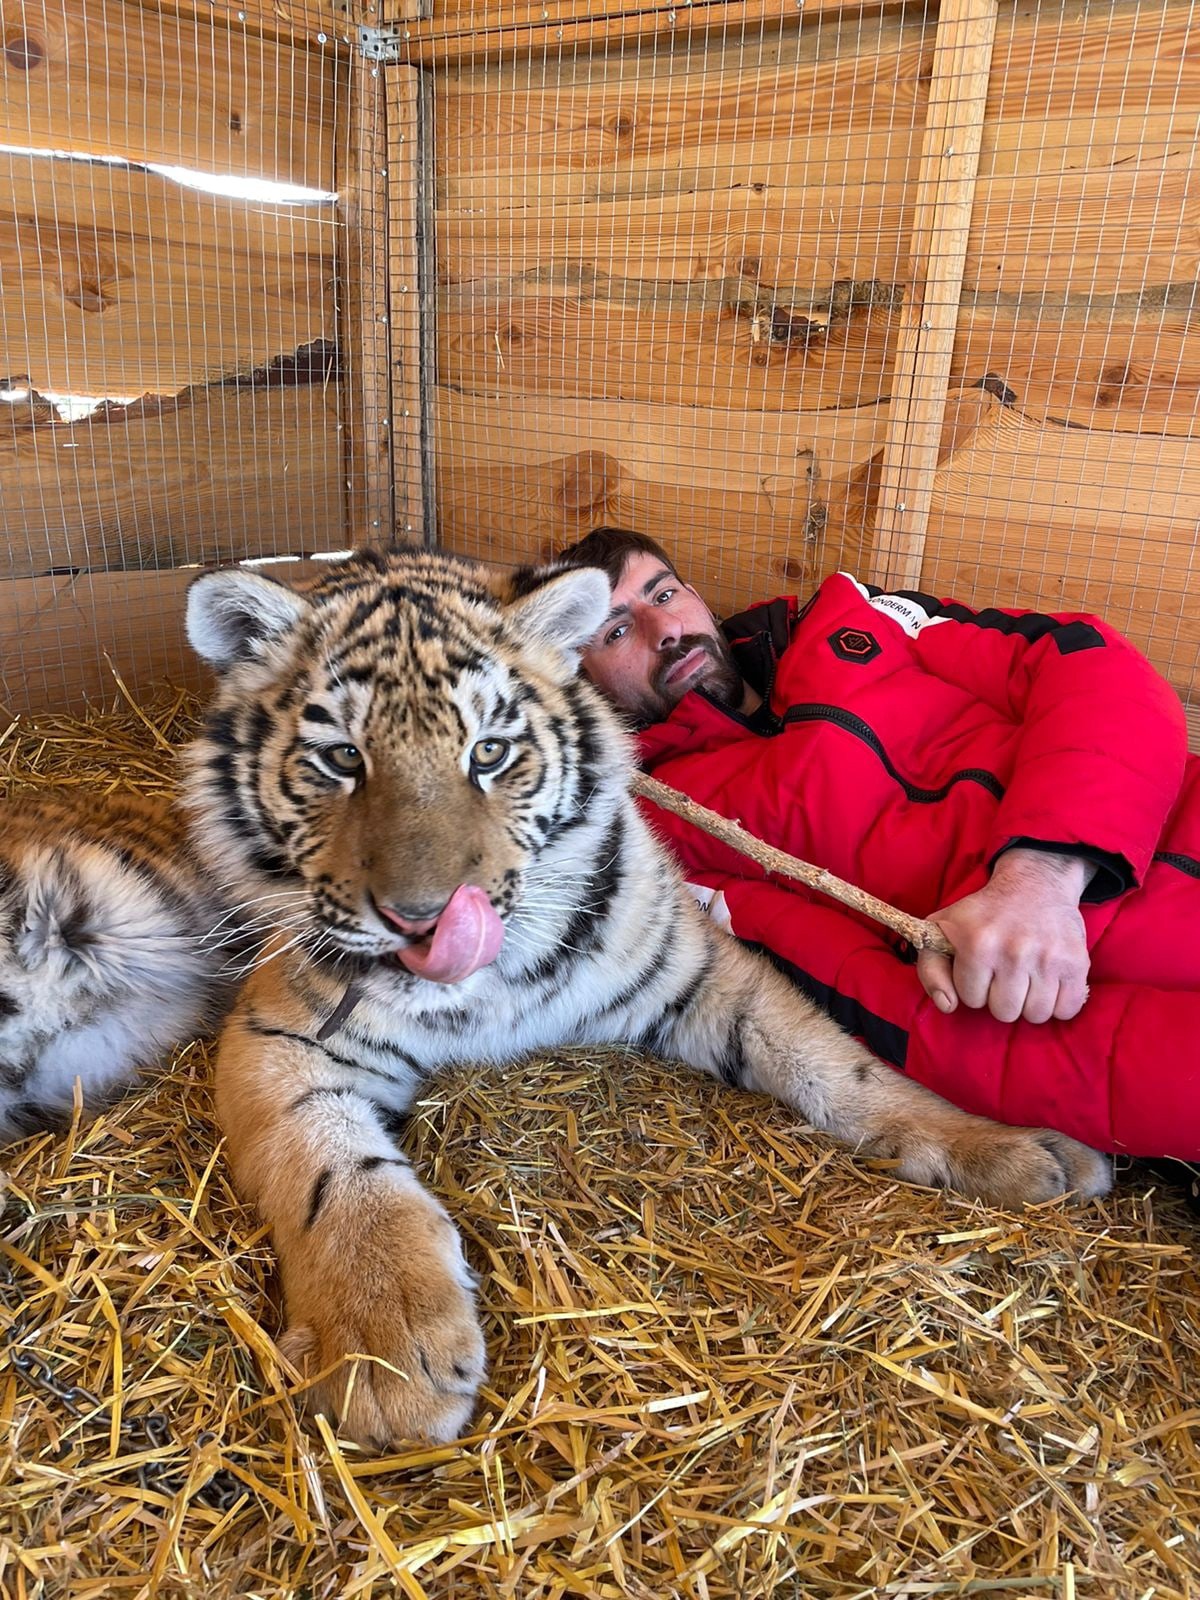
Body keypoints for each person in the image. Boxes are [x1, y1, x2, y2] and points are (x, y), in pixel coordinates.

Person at [556, 526, 1200, 1191]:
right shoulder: (667, 828)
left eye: (664, 592)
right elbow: (859, 992)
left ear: (695, 594)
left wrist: (1041, 875)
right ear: (579, 681)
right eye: (614, 632)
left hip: (1166, 815)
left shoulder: (852, 616)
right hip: (1051, 999)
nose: (665, 628)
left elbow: (1092, 665)